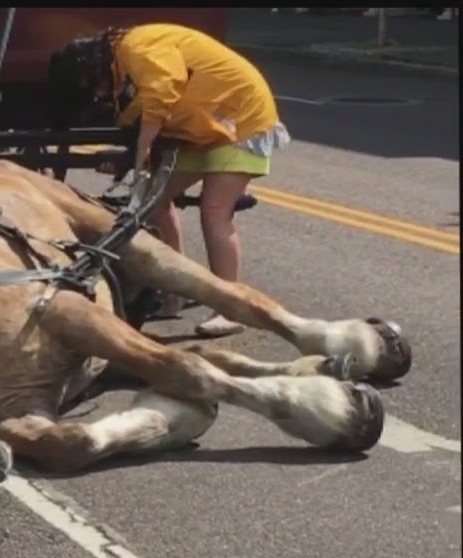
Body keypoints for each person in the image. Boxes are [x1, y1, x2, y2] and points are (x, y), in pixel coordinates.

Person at [49, 23, 291, 337]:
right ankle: (175, 288)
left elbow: (163, 90)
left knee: (215, 210)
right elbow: (141, 112)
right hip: (202, 128)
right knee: (154, 202)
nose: (97, 94)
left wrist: (141, 154)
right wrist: (130, 161)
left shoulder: (136, 47)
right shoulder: (123, 63)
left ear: (92, 67)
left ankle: (232, 308)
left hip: (238, 119)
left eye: (92, 86)